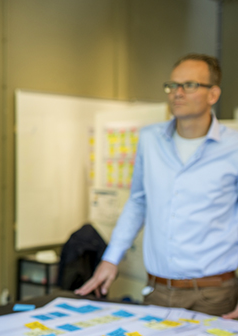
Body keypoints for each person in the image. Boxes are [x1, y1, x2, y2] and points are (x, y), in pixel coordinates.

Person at [75, 54, 238, 318]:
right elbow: (138, 201)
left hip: (214, 294)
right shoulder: (150, 140)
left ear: (213, 94)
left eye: (190, 85)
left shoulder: (233, 148)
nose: (177, 93)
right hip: (158, 291)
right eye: (172, 86)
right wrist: (110, 259)